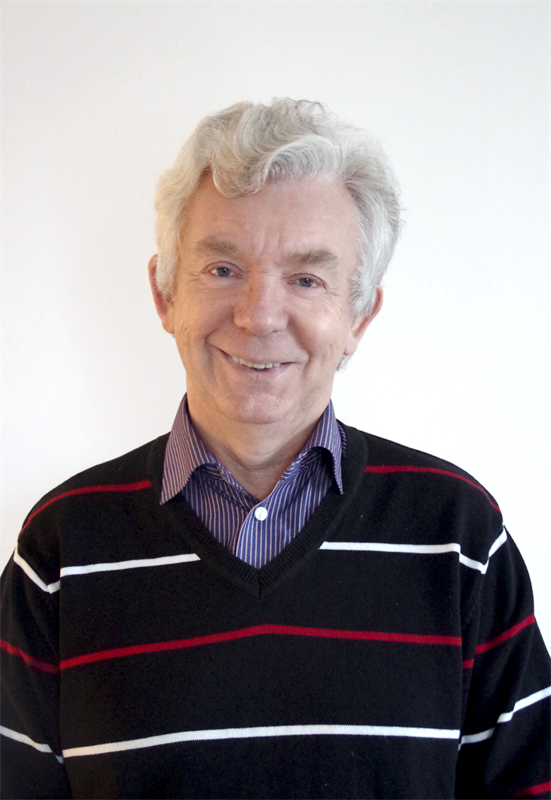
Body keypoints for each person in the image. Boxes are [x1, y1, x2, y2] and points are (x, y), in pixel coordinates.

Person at [1, 99, 550, 799]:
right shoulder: (61, 550)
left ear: (358, 316)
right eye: (222, 269)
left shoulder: (460, 540)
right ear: (164, 294)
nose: (258, 316)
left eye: (306, 279)